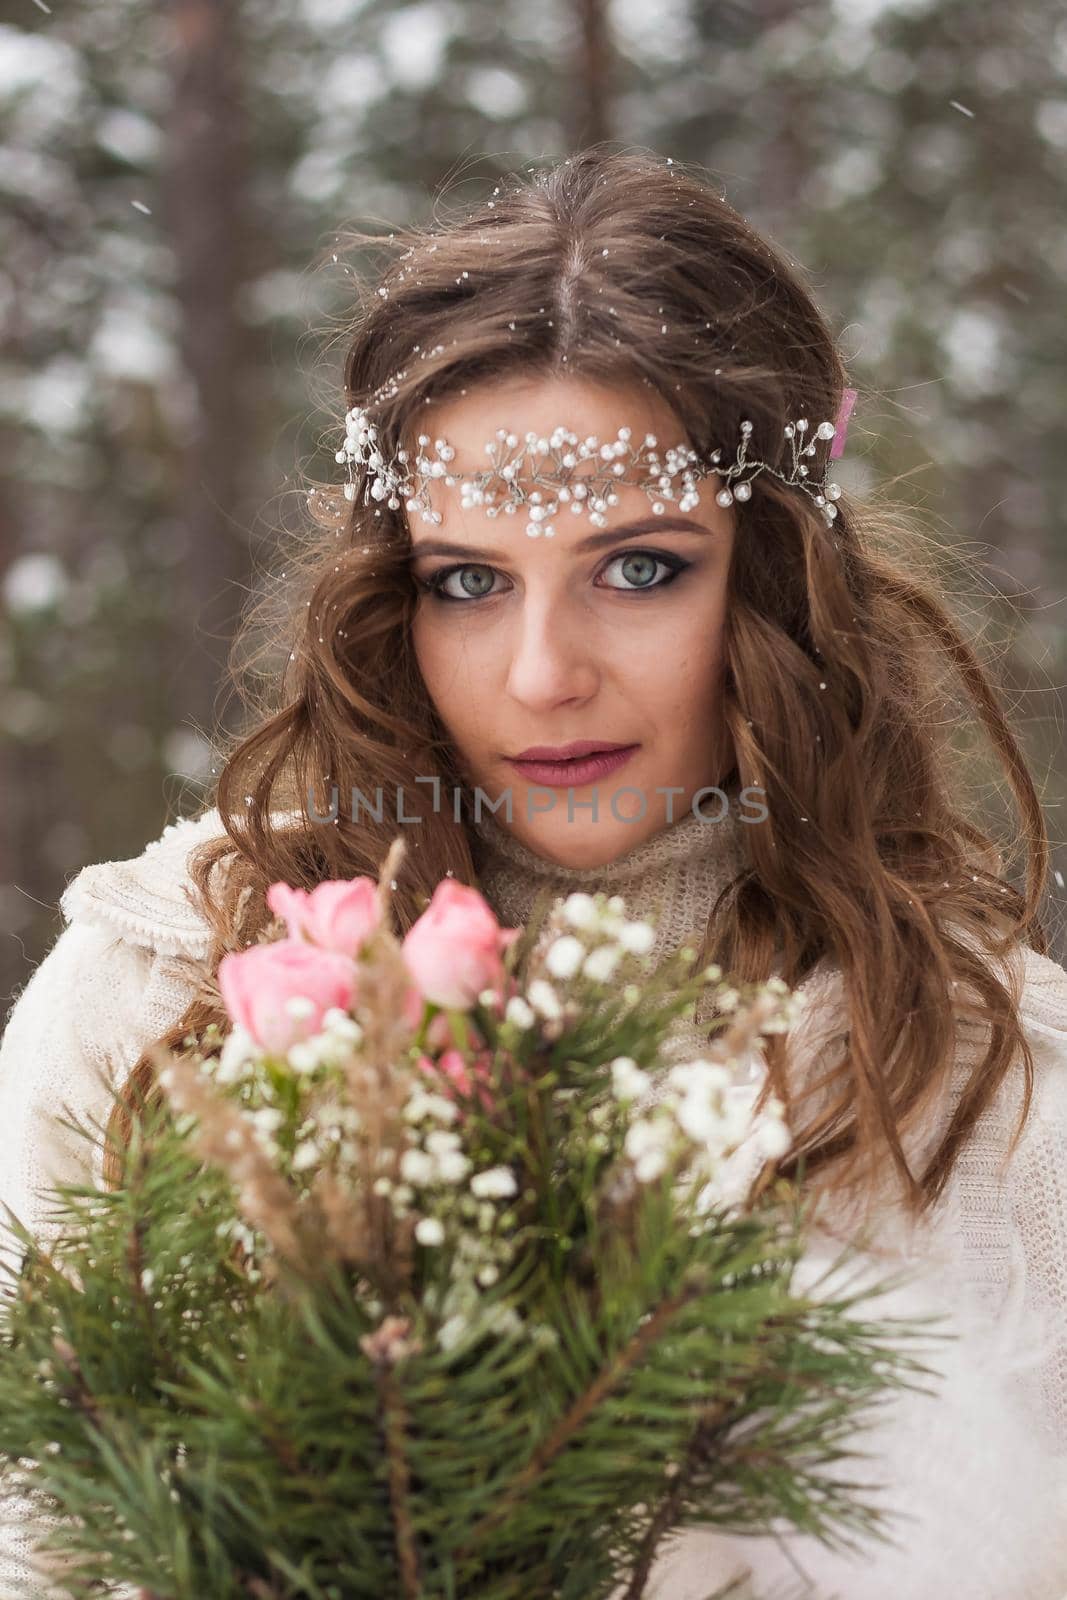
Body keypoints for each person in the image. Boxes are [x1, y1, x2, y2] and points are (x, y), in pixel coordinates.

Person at [2, 145, 1066, 1599]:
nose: (543, 674)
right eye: (469, 580)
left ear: (770, 578)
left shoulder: (986, 1093)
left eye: (638, 569)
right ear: (396, 594)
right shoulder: (168, 989)